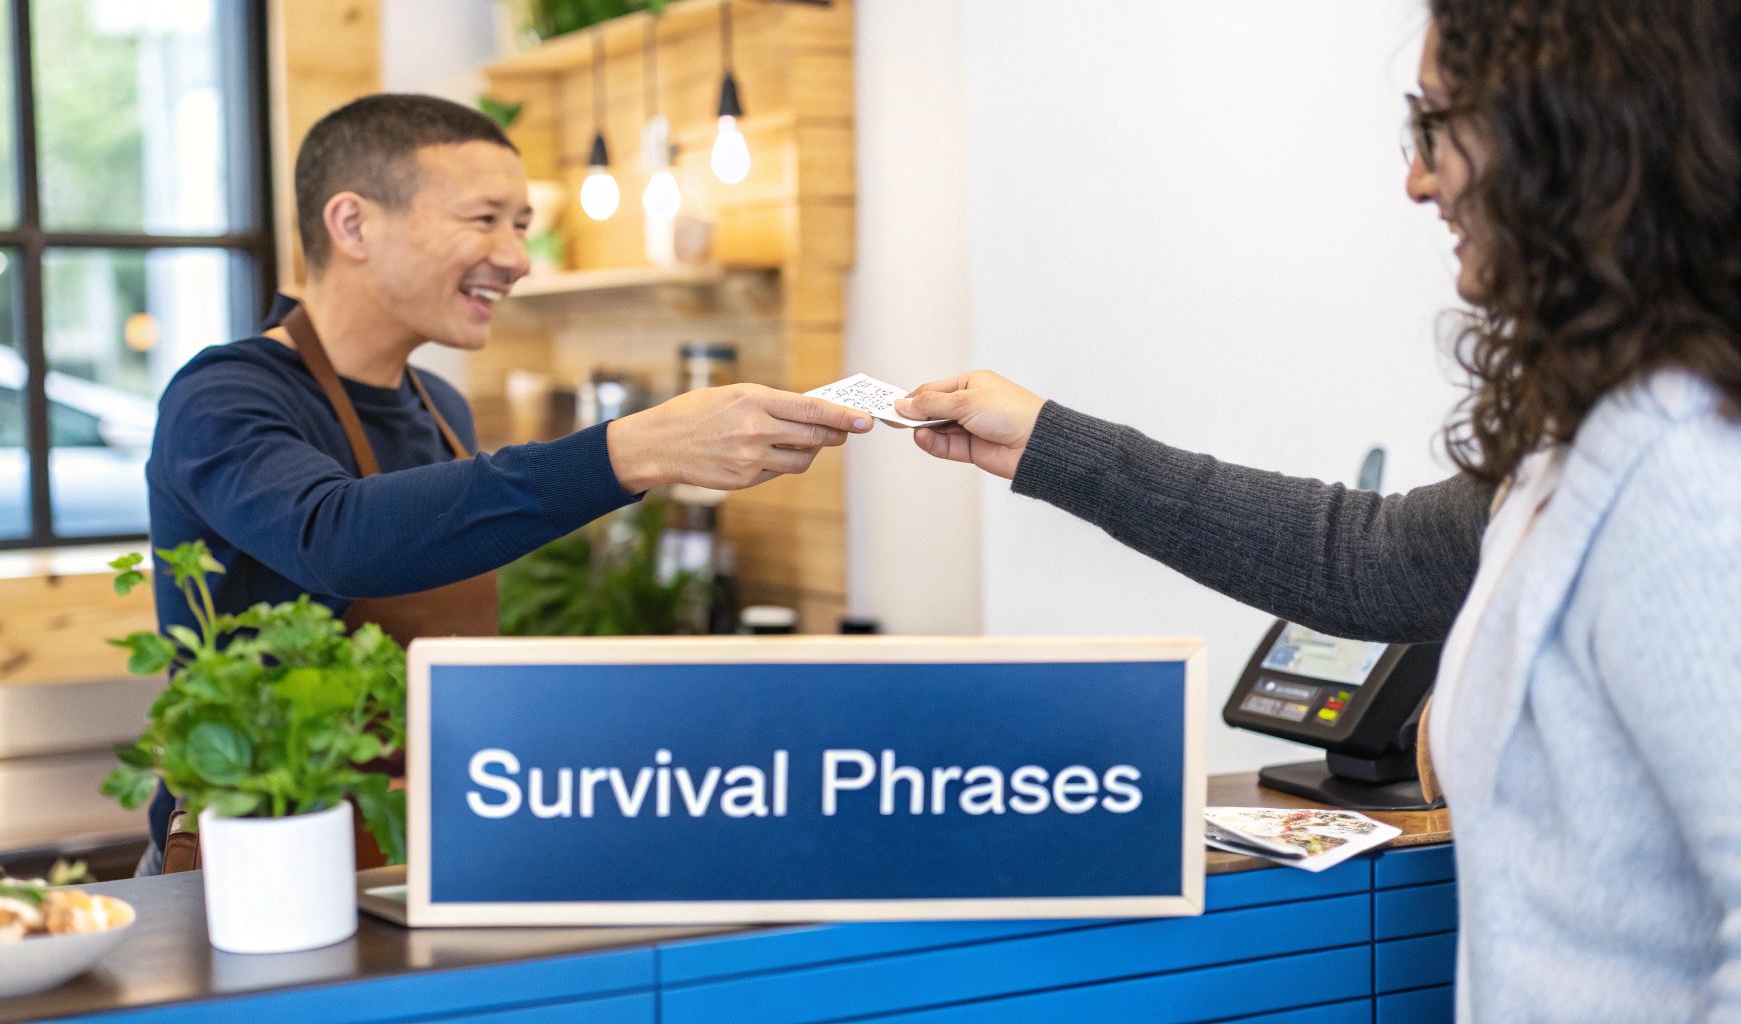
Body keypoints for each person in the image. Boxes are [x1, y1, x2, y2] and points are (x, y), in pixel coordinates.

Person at [899, 4, 1741, 1020]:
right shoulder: (1580, 441)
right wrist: (1046, 442)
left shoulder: (1685, 473)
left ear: (1566, 130)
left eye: (1436, 126)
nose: (1415, 179)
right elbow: (1358, 559)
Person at [137, 94, 870, 871]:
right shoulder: (225, 396)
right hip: (261, 858)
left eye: (520, 225)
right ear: (351, 224)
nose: (516, 257)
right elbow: (337, 536)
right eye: (483, 219)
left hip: (424, 841)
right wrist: (632, 451)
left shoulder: (440, 406)